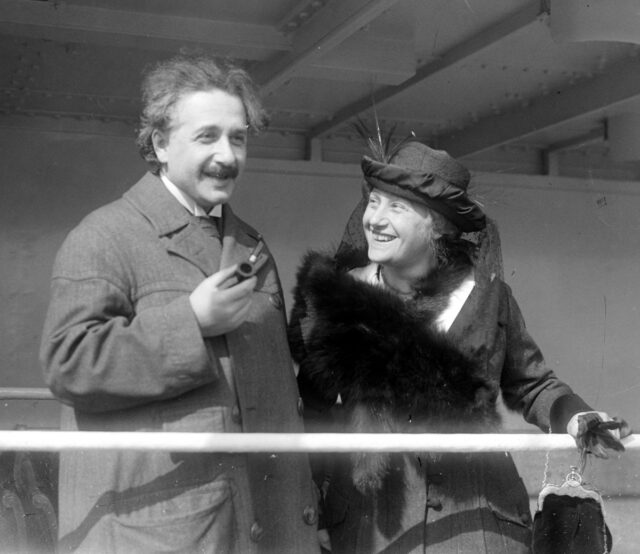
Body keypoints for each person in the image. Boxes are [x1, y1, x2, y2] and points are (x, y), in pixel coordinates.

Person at [287, 139, 630, 553]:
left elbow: (534, 384)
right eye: (373, 202)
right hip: (372, 527)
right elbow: (314, 414)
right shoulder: (338, 300)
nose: (374, 219)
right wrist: (319, 510)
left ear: (438, 227)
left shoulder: (486, 298)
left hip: (479, 525)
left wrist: (577, 416)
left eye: (396, 208)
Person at [40, 55, 320, 554]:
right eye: (207, 136)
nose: (227, 155)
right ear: (160, 144)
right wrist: (191, 321)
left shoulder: (250, 243)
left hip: (262, 525)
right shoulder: (105, 236)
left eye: (238, 137)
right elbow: (68, 363)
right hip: (166, 532)